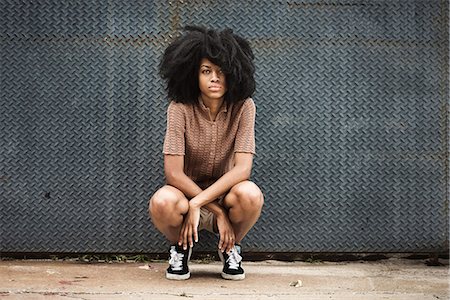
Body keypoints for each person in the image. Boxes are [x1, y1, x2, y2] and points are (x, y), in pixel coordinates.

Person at [148, 25, 264, 281]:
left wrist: (204, 204)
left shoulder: (244, 107)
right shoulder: (179, 108)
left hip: (224, 196)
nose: (214, 78)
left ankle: (230, 246)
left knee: (251, 194)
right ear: (193, 75)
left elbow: (243, 169)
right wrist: (212, 211)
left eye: (222, 72)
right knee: (161, 201)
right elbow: (173, 173)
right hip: (185, 194)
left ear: (234, 73)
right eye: (206, 71)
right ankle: (181, 246)